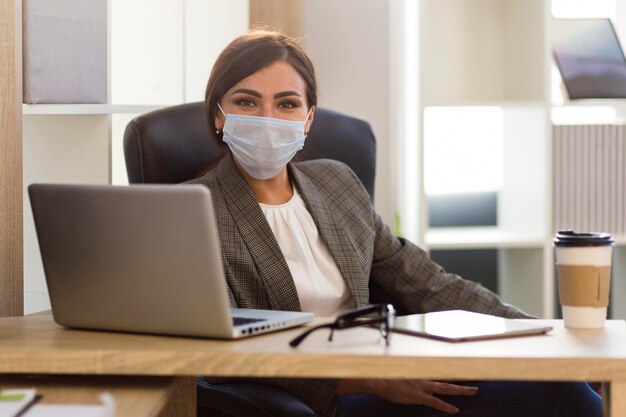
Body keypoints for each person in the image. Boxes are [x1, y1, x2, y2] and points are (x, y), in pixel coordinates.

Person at [188, 29, 601, 417]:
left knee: (564, 379)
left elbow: (426, 282)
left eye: (287, 104)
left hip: (390, 362)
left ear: (309, 118)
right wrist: (368, 380)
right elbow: (224, 353)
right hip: (327, 397)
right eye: (246, 102)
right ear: (219, 115)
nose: (269, 119)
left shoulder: (336, 182)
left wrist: (543, 334)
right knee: (561, 395)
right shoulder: (196, 209)